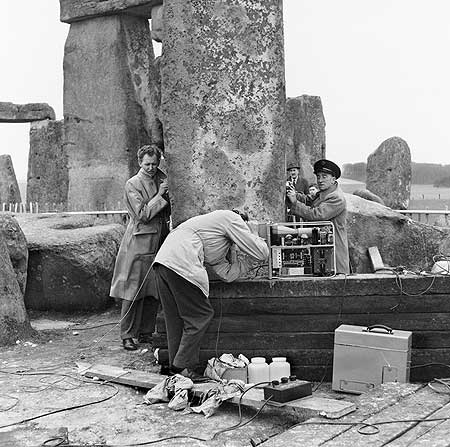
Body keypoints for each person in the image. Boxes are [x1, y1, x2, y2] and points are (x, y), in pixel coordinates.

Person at [153, 209, 269, 380]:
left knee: (176, 318)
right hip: (182, 260)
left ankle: (176, 369)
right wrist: (253, 233)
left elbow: (227, 274)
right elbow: (262, 252)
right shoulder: (230, 217)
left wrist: (246, 260)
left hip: (164, 262)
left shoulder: (214, 236)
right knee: (200, 316)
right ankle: (181, 366)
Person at [110, 144, 170, 351]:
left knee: (153, 290)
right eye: (147, 164)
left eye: (154, 164)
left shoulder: (161, 178)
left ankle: (146, 332)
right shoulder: (132, 184)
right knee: (132, 290)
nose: (151, 168)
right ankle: (127, 335)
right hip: (139, 243)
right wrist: (160, 196)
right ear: (139, 163)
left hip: (160, 241)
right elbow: (142, 214)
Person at [287, 159, 350, 274]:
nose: (320, 180)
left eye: (324, 176)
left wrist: (295, 203)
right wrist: (292, 194)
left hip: (333, 250)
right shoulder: (323, 192)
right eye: (318, 176)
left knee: (332, 281)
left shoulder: (336, 198)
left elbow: (316, 214)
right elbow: (308, 200)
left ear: (333, 179)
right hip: (321, 246)